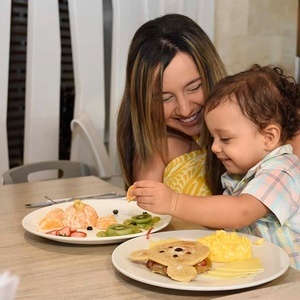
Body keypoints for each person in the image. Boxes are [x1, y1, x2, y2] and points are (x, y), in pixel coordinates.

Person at [131, 64, 300, 269]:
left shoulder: (282, 169)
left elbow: (241, 213)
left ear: (269, 137)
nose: (214, 148)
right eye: (213, 138)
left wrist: (175, 202)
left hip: (290, 282)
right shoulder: (244, 174)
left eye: (225, 139)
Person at [117, 13, 227, 196]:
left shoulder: (249, 125)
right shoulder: (157, 147)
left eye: (194, 87)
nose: (185, 110)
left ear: (212, 75)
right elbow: (145, 218)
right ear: (143, 102)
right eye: (164, 98)